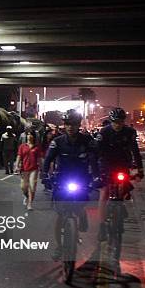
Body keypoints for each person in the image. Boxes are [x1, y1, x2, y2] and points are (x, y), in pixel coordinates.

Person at [42, 110, 99, 260]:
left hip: (81, 178)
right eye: (67, 124)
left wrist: (97, 176)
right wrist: (44, 176)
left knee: (80, 206)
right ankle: (59, 247)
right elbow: (48, 160)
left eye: (73, 124)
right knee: (60, 216)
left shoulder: (87, 141)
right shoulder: (58, 141)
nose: (70, 127)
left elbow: (94, 159)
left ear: (78, 125)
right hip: (61, 179)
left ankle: (82, 214)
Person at [96, 107, 144, 243]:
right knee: (104, 193)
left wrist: (140, 170)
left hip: (123, 164)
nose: (118, 124)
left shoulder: (130, 132)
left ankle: (120, 205)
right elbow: (97, 152)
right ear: (111, 121)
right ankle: (101, 226)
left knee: (125, 187)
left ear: (124, 121)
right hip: (106, 164)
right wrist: (96, 172)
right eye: (115, 122)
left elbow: (135, 151)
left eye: (120, 121)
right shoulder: (104, 132)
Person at [15, 131, 43, 210]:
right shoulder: (22, 146)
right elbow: (19, 157)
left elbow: (39, 159)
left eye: (31, 134)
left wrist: (42, 168)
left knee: (32, 187)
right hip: (24, 169)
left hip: (34, 169)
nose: (29, 136)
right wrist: (16, 166)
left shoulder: (37, 147)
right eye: (28, 134)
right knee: (23, 187)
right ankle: (26, 195)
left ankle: (30, 204)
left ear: (34, 137)